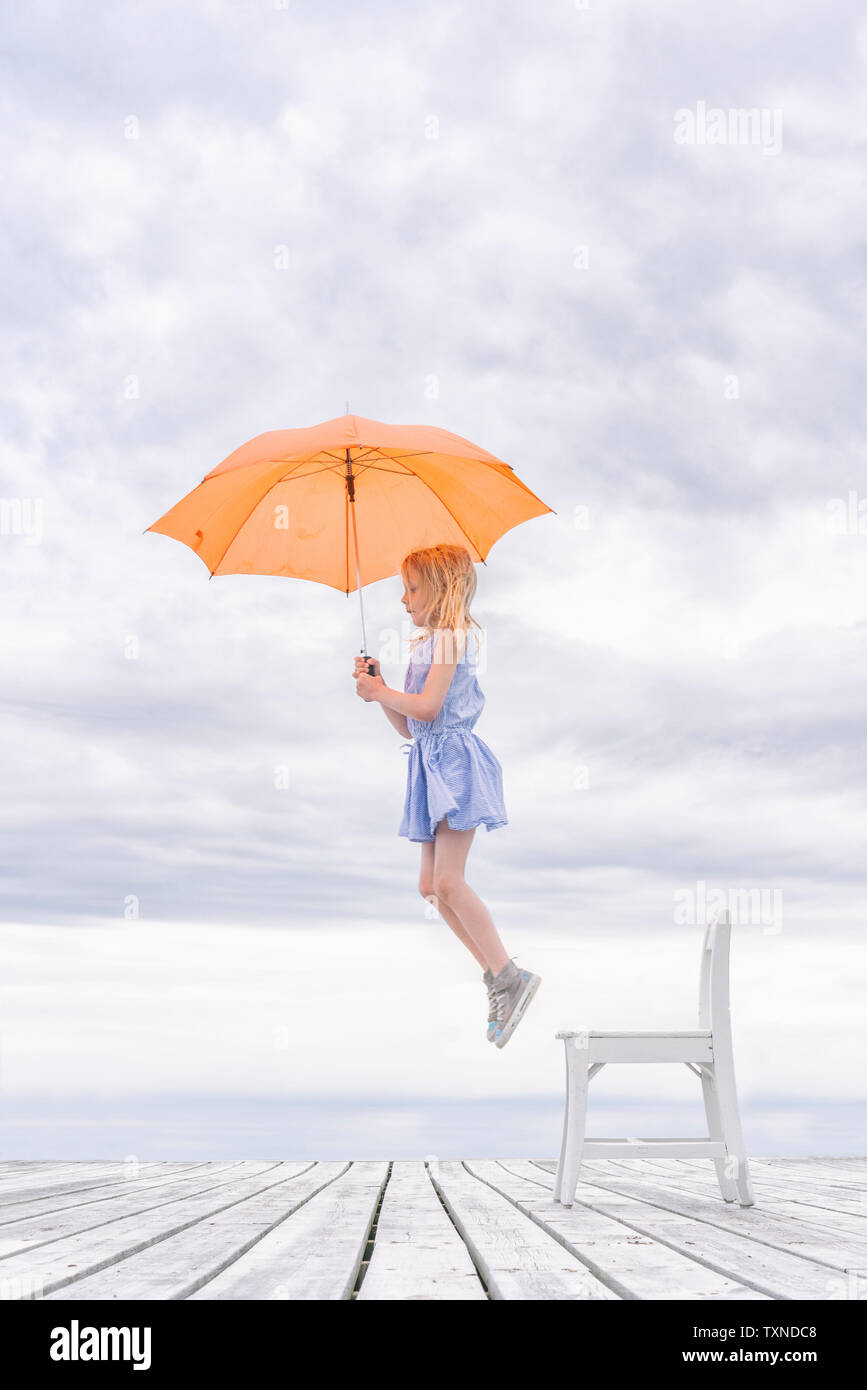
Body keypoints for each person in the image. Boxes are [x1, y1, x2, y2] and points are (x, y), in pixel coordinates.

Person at [352, 543, 541, 1049]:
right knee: (430, 888)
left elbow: (433, 709)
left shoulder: (453, 638)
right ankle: (499, 977)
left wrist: (382, 694)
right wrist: (381, 689)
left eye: (412, 588)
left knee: (450, 882)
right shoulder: (424, 645)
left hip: (455, 765)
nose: (404, 600)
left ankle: (508, 976)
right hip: (429, 761)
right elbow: (413, 725)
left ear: (442, 588)